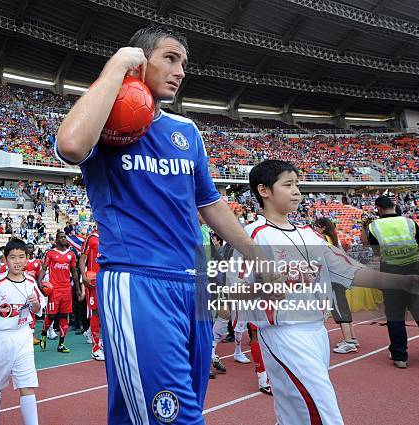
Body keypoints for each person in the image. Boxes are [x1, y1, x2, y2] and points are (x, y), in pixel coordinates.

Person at [56, 25, 274, 424]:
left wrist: (259, 258)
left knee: (154, 410)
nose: (180, 70)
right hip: (137, 280)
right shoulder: (104, 121)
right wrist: (117, 66)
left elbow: (210, 204)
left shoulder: (185, 130)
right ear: (140, 61)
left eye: (183, 63)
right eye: (170, 59)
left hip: (193, 288)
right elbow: (70, 145)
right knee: (177, 417)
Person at [231, 160, 419, 425]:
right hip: (285, 334)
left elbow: (351, 270)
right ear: (264, 190)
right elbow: (231, 295)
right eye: (288, 185)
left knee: (295, 412)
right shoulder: (251, 237)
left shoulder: (310, 235)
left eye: (298, 185)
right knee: (324, 411)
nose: (297, 191)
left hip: (317, 332)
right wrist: (265, 288)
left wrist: (403, 281)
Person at [362, 195, 419, 372]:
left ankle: (400, 357)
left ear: (378, 208)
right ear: (394, 206)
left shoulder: (374, 226)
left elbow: (371, 249)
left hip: (392, 276)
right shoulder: (409, 223)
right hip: (416, 273)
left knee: (395, 317)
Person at [0, 239, 40, 425]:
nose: (17, 261)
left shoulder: (31, 281)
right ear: (5, 260)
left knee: (27, 385)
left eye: (21, 257)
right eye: (13, 257)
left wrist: (35, 304)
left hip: (23, 336)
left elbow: (38, 309)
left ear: (27, 258)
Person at [313, 217, 359, 354]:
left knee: (339, 309)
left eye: (316, 226)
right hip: (340, 277)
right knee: (343, 306)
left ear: (323, 227)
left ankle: (349, 342)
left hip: (333, 279)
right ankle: (352, 337)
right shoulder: (333, 238)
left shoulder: (324, 240)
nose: (315, 228)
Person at [36, 231, 81, 354]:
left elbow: (74, 272)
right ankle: (44, 334)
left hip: (66, 290)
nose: (63, 239)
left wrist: (77, 289)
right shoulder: (50, 253)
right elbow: (44, 269)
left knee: (64, 316)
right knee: (51, 316)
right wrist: (39, 283)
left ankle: (61, 344)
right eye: (60, 237)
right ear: (56, 240)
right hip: (54, 290)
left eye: (64, 237)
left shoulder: (71, 254)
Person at [79, 227, 104, 361]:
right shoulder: (91, 237)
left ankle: (98, 340)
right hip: (93, 280)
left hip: (106, 279)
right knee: (95, 312)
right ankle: (95, 349)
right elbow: (82, 259)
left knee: (105, 313)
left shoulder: (110, 236)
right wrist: (84, 276)